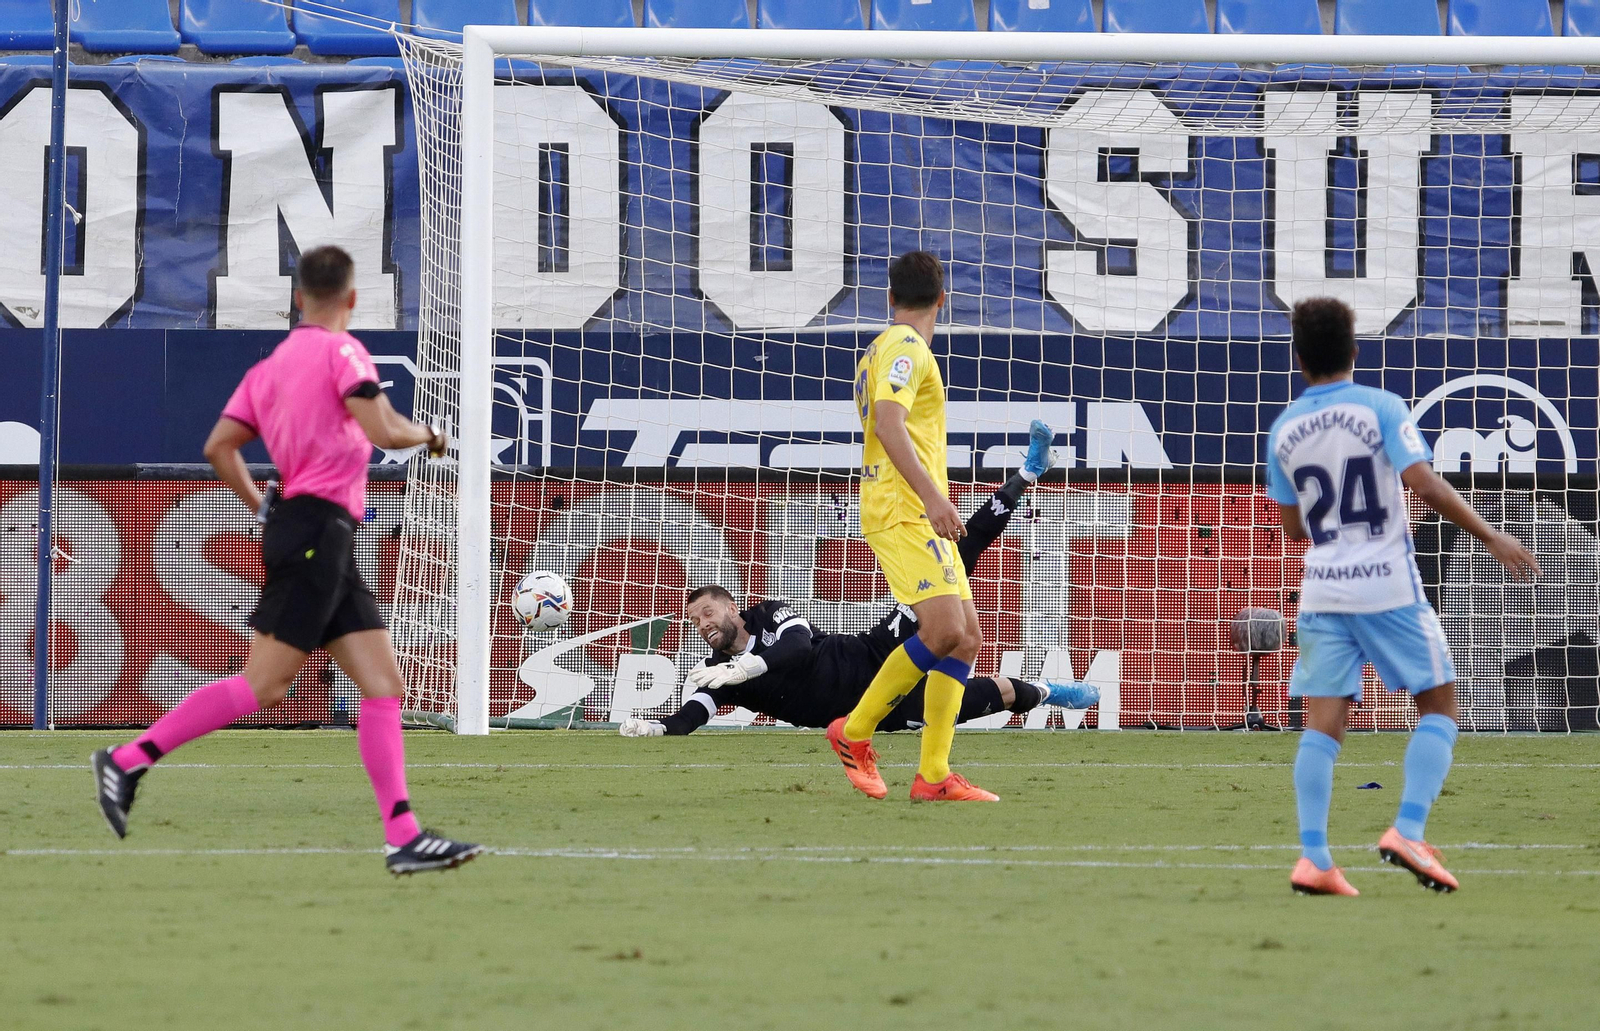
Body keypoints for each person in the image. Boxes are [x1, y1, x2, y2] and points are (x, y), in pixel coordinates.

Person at [91, 245, 483, 877]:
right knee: (264, 685)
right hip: (316, 534)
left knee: (384, 686)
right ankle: (130, 759)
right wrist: (430, 436)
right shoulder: (343, 351)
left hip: (312, 530)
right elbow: (384, 431)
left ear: (299, 298)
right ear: (351, 300)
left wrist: (257, 505)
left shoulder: (268, 368)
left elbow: (220, 447)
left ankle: (403, 835)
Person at [1267, 297, 1539, 896]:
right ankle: (1408, 829)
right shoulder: (1381, 408)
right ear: (1354, 352)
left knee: (1323, 727)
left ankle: (1314, 858)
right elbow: (1424, 482)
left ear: (1298, 359)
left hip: (1323, 590)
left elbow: (1292, 528)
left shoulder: (1284, 429)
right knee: (1439, 706)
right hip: (1387, 583)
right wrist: (1491, 535)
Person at [618, 446, 1099, 737]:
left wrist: (750, 665)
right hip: (879, 712)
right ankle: (1052, 692)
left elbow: (798, 646)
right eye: (696, 622)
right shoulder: (716, 671)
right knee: (1001, 692)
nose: (702, 626)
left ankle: (1028, 475)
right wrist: (661, 727)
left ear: (731, 606)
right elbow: (695, 711)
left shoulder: (769, 615)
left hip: (875, 653)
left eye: (706, 613)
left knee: (954, 559)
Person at [823, 251, 994, 801]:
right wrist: (934, 498)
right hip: (902, 508)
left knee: (965, 638)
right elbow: (890, 424)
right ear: (944, 300)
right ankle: (853, 732)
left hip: (911, 508)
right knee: (943, 631)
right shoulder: (904, 347)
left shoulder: (885, 347)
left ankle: (935, 776)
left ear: (890, 296)